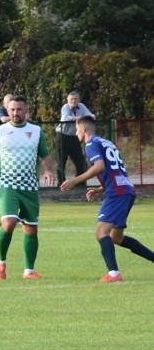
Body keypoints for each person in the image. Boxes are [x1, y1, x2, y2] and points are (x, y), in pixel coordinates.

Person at [60, 116, 154, 282]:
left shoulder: (90, 144)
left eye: (76, 129)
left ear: (83, 128)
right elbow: (114, 169)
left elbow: (100, 167)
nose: (76, 134)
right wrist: (100, 189)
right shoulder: (106, 142)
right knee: (116, 237)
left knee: (101, 232)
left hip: (117, 193)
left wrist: (74, 181)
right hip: (125, 190)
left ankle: (113, 274)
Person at [0, 95, 56, 280]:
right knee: (9, 223)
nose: (16, 113)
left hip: (30, 187)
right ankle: (1, 262)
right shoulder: (0, 131)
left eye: (19, 109)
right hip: (8, 186)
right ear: (8, 111)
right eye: (12, 109)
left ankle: (29, 271)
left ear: (26, 111)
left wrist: (47, 170)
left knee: (31, 228)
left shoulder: (36, 131)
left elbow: (45, 155)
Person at [56, 91, 95, 185]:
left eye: (76, 99)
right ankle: (61, 184)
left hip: (75, 137)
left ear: (79, 99)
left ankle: (79, 183)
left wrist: (79, 118)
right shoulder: (65, 107)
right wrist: (82, 118)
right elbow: (65, 118)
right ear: (68, 100)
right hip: (62, 136)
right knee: (61, 162)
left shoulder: (82, 106)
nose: (74, 101)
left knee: (81, 162)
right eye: (71, 99)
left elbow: (92, 116)